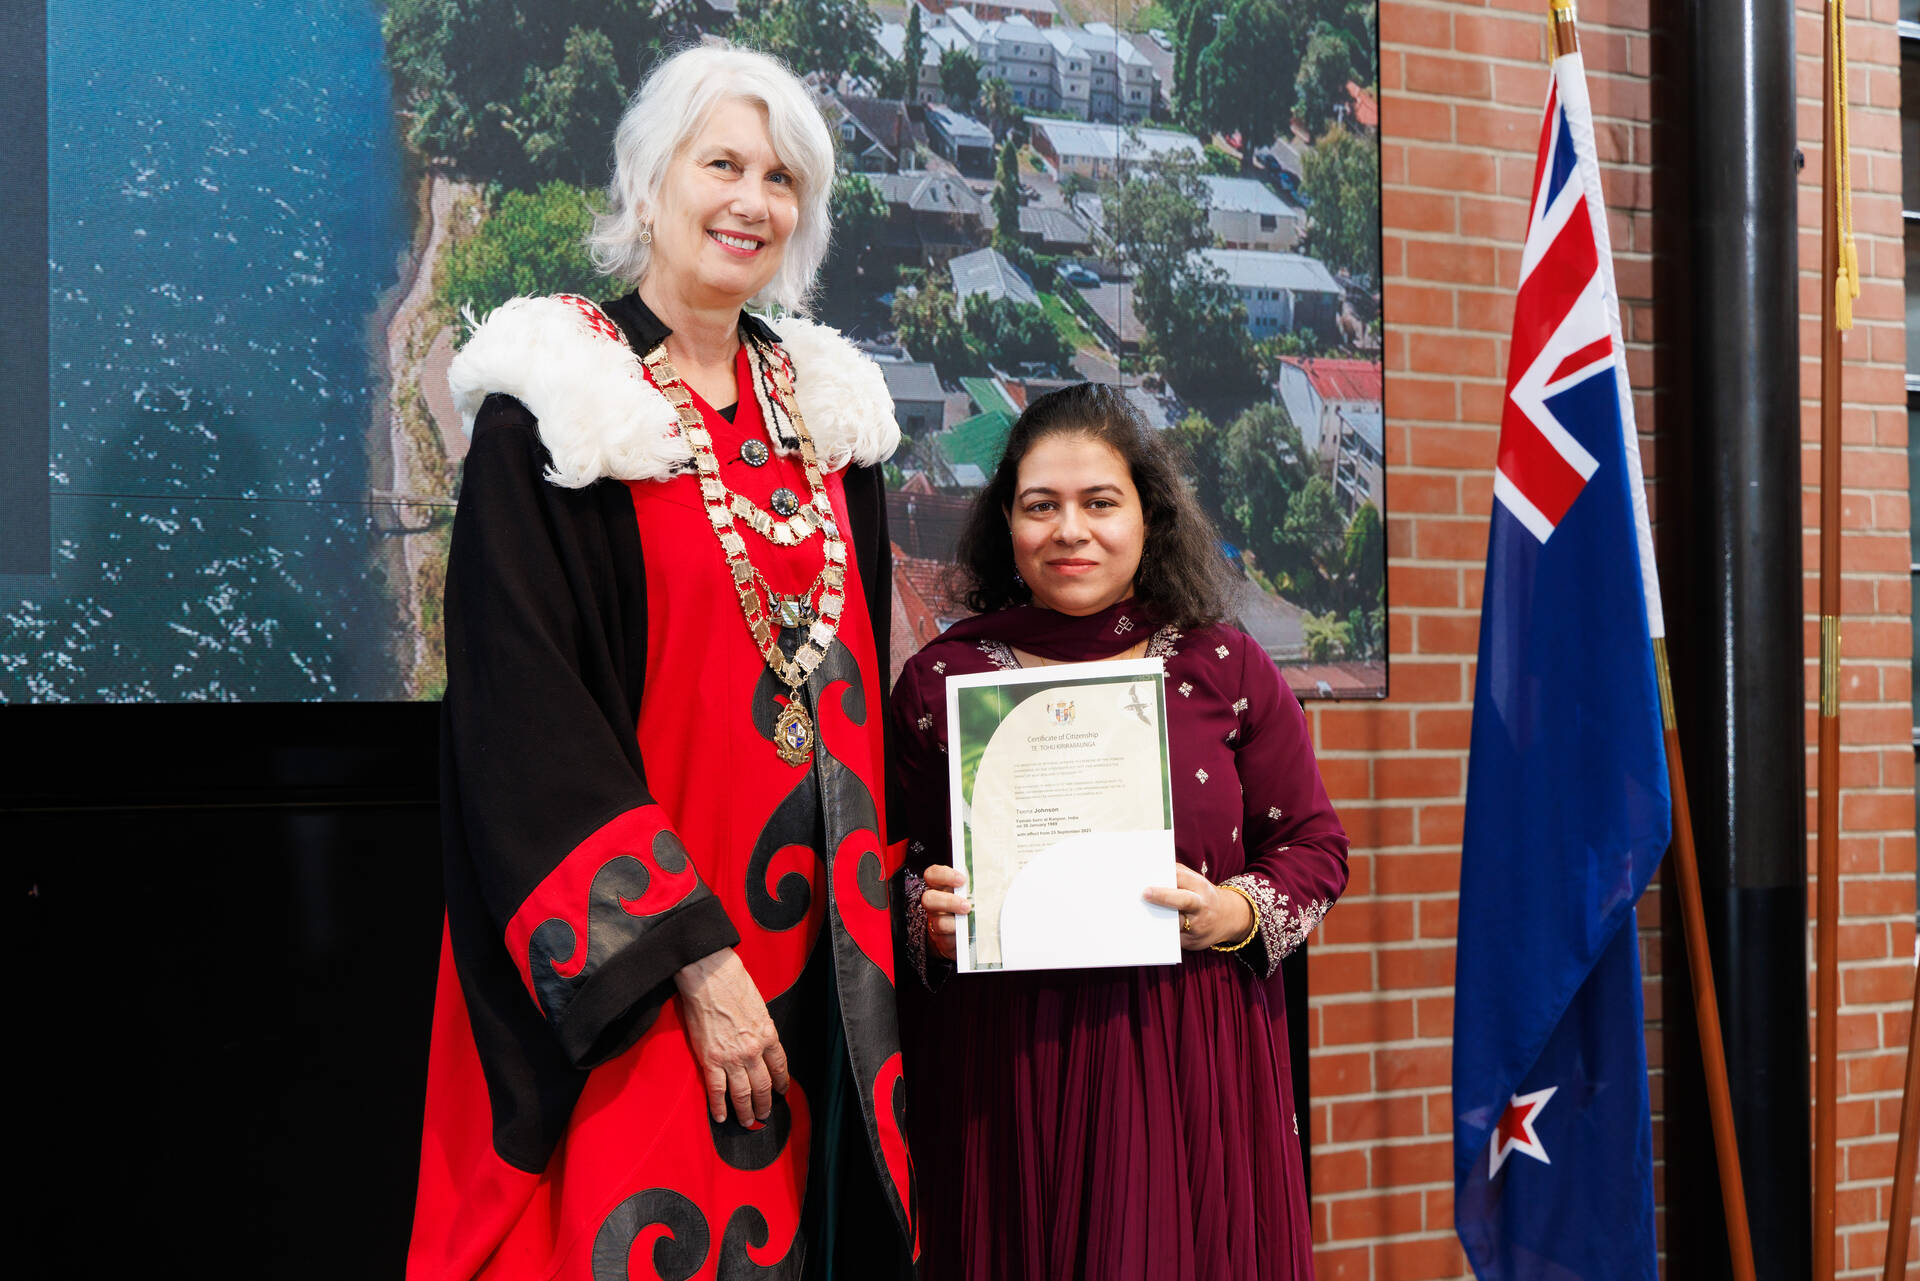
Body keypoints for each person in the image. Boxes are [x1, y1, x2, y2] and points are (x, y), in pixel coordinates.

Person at [407, 45, 913, 1281]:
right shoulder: (558, 411)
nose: (752, 201)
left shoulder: (832, 419)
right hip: (640, 980)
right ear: (648, 185)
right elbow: (523, 722)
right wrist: (688, 959)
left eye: (781, 179)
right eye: (721, 164)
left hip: (824, 973)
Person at [888, 383, 1349, 1281]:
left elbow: (1314, 846)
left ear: (1148, 517)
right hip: (1009, 1068)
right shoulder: (942, 682)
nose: (1071, 530)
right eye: (1041, 506)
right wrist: (924, 918)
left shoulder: (1223, 664)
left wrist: (1232, 912)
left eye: (1100, 502)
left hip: (1192, 1054)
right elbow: (880, 871)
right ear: (1006, 524)